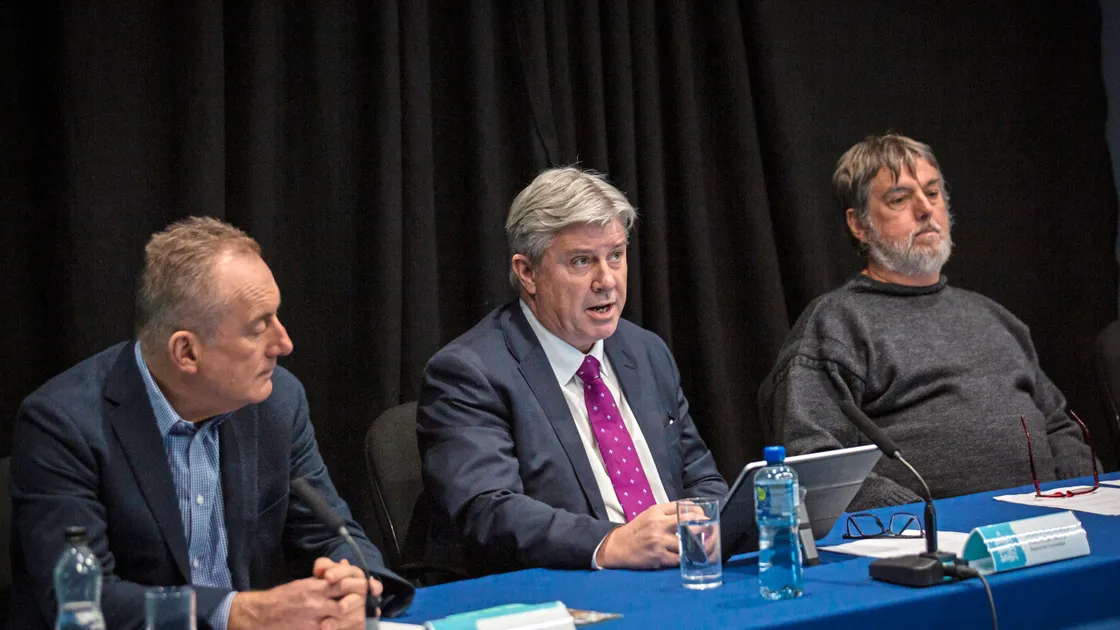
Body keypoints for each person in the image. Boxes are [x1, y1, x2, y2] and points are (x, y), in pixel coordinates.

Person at [11, 217, 413, 630]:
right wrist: (239, 612)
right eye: (259, 328)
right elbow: (82, 599)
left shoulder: (277, 402)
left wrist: (356, 583)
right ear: (186, 352)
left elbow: (332, 533)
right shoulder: (63, 425)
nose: (284, 344)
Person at [758, 134, 1096, 512]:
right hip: (924, 543)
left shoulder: (994, 318)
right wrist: (916, 518)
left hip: (1050, 524)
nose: (925, 209)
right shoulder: (835, 324)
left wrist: (1080, 497)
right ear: (859, 225)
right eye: (900, 199)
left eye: (933, 193)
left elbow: (1059, 426)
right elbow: (813, 462)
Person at [417, 166, 728, 577]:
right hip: (566, 590)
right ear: (527, 272)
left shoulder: (646, 351)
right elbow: (489, 510)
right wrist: (610, 543)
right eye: (582, 261)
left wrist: (712, 524)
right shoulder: (469, 373)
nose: (607, 281)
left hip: (679, 577)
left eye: (615, 255)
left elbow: (701, 477)